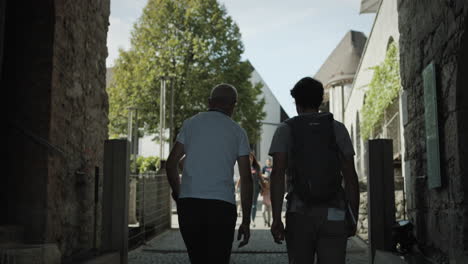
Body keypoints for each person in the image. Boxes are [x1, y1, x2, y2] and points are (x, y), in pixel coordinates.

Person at [269, 77, 359, 264]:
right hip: (334, 211)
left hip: (299, 212)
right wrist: (353, 216)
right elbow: (350, 177)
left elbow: (277, 174)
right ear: (320, 101)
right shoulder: (337, 128)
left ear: (296, 103)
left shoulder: (286, 130)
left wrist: (276, 218)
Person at [166, 83, 253, 264]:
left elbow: (171, 163)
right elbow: (246, 178)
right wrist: (245, 220)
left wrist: (179, 193)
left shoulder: (191, 124)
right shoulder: (238, 132)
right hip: (222, 207)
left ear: (209, 102)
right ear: (233, 105)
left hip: (190, 205)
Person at [250, 152, 263, 227]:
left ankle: (252, 220)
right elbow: (242, 178)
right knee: (248, 204)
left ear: (253, 158)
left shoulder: (257, 166)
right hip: (248, 188)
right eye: (248, 157)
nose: (250, 159)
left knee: (254, 205)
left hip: (255, 188)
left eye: (251, 157)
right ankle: (247, 220)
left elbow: (260, 177)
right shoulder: (245, 166)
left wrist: (264, 187)